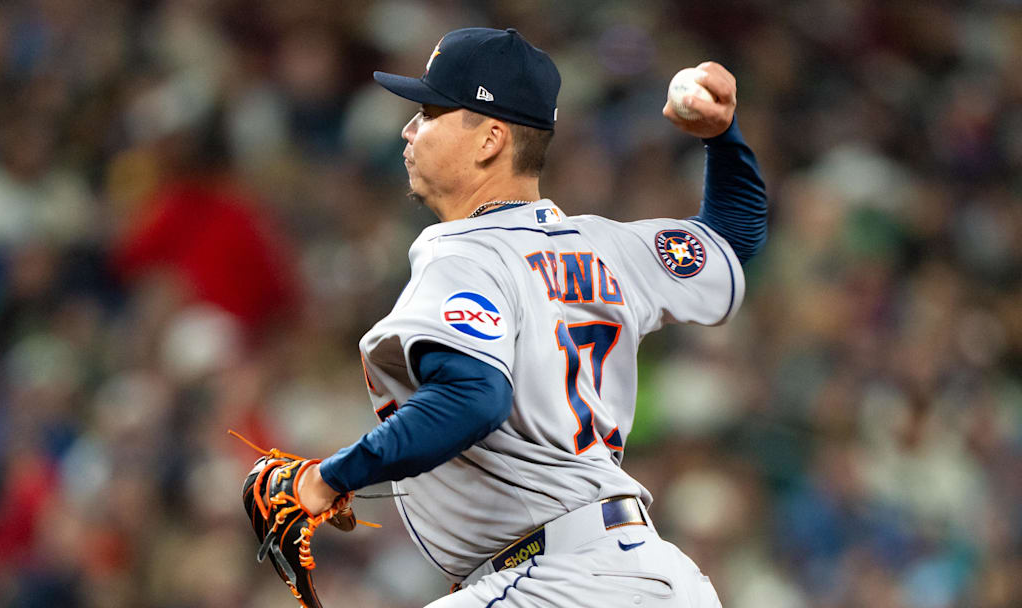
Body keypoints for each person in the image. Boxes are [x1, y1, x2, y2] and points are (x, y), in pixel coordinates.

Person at [293, 27, 766, 607]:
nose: (408, 129)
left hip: (558, 583)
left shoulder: (463, 251)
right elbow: (731, 239)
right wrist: (722, 138)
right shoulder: (605, 247)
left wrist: (328, 477)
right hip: (659, 577)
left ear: (490, 139)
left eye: (430, 111)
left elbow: (474, 396)